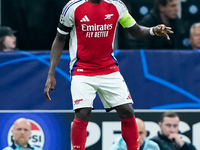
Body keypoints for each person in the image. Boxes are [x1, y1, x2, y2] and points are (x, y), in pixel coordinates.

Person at [43, 0, 173, 149]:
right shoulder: (72, 7)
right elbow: (60, 38)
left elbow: (135, 30)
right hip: (82, 69)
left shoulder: (117, 5)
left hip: (109, 68)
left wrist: (153, 30)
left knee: (127, 111)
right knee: (83, 112)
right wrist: (51, 73)